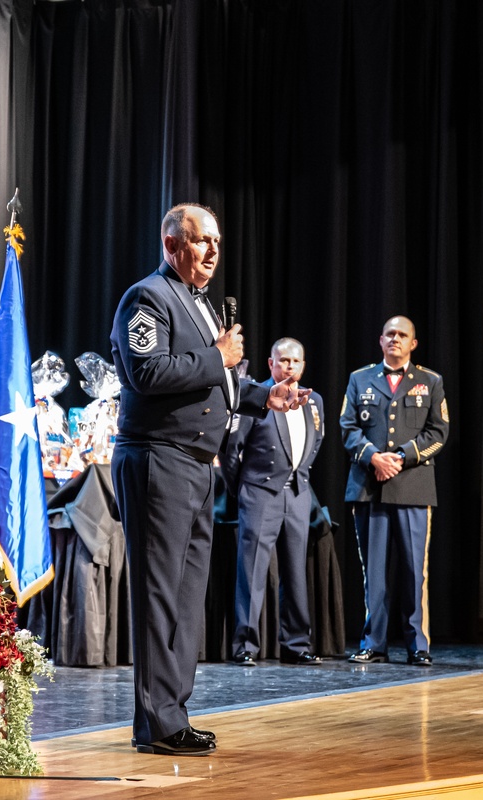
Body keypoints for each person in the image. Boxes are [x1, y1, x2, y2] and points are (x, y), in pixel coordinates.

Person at [110, 203, 309, 757]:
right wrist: (217, 354)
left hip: (199, 465)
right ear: (173, 244)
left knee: (187, 597)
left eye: (218, 241)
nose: (214, 251)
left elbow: (212, 384)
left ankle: (175, 713)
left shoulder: (199, 305)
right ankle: (156, 723)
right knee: (159, 595)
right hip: (158, 459)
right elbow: (148, 373)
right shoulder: (147, 297)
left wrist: (262, 396)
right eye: (203, 241)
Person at [340, 315, 449, 667]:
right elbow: (348, 426)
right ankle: (374, 642)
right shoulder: (360, 378)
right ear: (380, 339)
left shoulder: (430, 381)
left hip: (413, 487)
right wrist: (373, 457)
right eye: (390, 334)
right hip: (369, 487)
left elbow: (439, 433)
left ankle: (418, 645)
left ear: (413, 343)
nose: (395, 339)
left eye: (402, 335)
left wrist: (401, 457)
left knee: (415, 571)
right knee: (374, 571)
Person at [223, 337, 325, 666]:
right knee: (252, 572)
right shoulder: (258, 396)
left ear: (304, 365)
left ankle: (296, 645)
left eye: (296, 361)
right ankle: (245, 647)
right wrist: (243, 489)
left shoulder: (315, 402)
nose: (289, 366)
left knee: (295, 572)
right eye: (283, 360)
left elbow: (316, 441)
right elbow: (232, 451)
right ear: (271, 364)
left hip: (297, 493)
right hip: (260, 493)